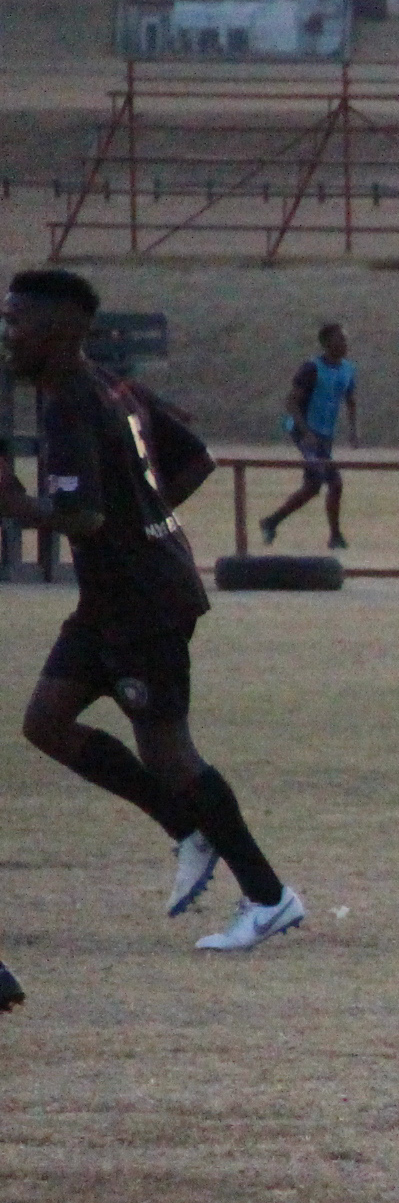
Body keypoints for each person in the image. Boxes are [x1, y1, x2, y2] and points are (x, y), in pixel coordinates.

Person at [5, 268, 306, 953]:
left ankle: (269, 898)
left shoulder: (72, 402)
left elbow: (81, 515)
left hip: (145, 602)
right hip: (112, 599)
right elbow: (195, 459)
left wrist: (15, 503)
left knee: (170, 752)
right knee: (46, 723)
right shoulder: (112, 384)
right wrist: (144, 519)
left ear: (58, 329)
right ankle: (187, 827)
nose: (8, 335)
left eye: (17, 322)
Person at [259, 320, 356, 549]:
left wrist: (353, 431)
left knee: (314, 486)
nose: (345, 343)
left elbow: (350, 401)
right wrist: (306, 433)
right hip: (304, 431)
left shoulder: (348, 369)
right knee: (332, 481)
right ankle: (335, 537)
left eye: (346, 339)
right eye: (340, 339)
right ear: (327, 343)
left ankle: (271, 522)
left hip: (324, 434)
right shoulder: (311, 368)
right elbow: (291, 403)